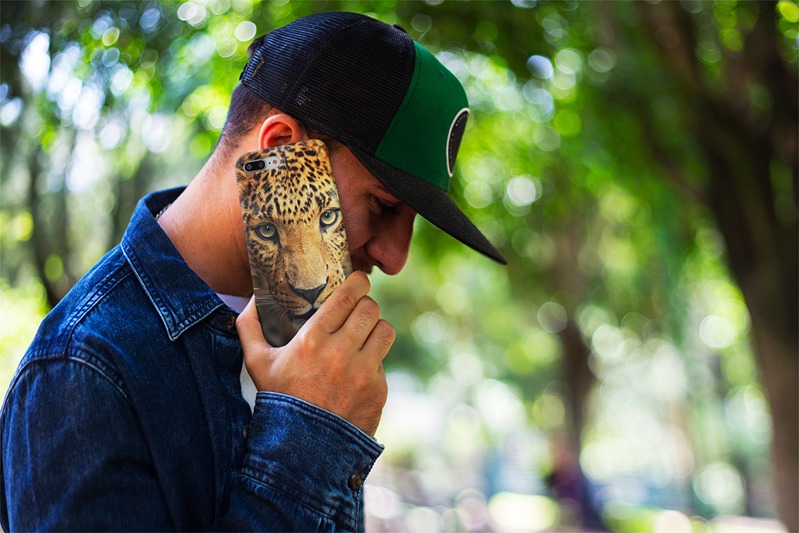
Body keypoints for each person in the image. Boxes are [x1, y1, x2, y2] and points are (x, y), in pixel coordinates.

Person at [0, 11, 505, 531]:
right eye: (382, 205)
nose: (395, 258)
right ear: (281, 149)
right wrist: (310, 433)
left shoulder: (303, 334)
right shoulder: (82, 369)